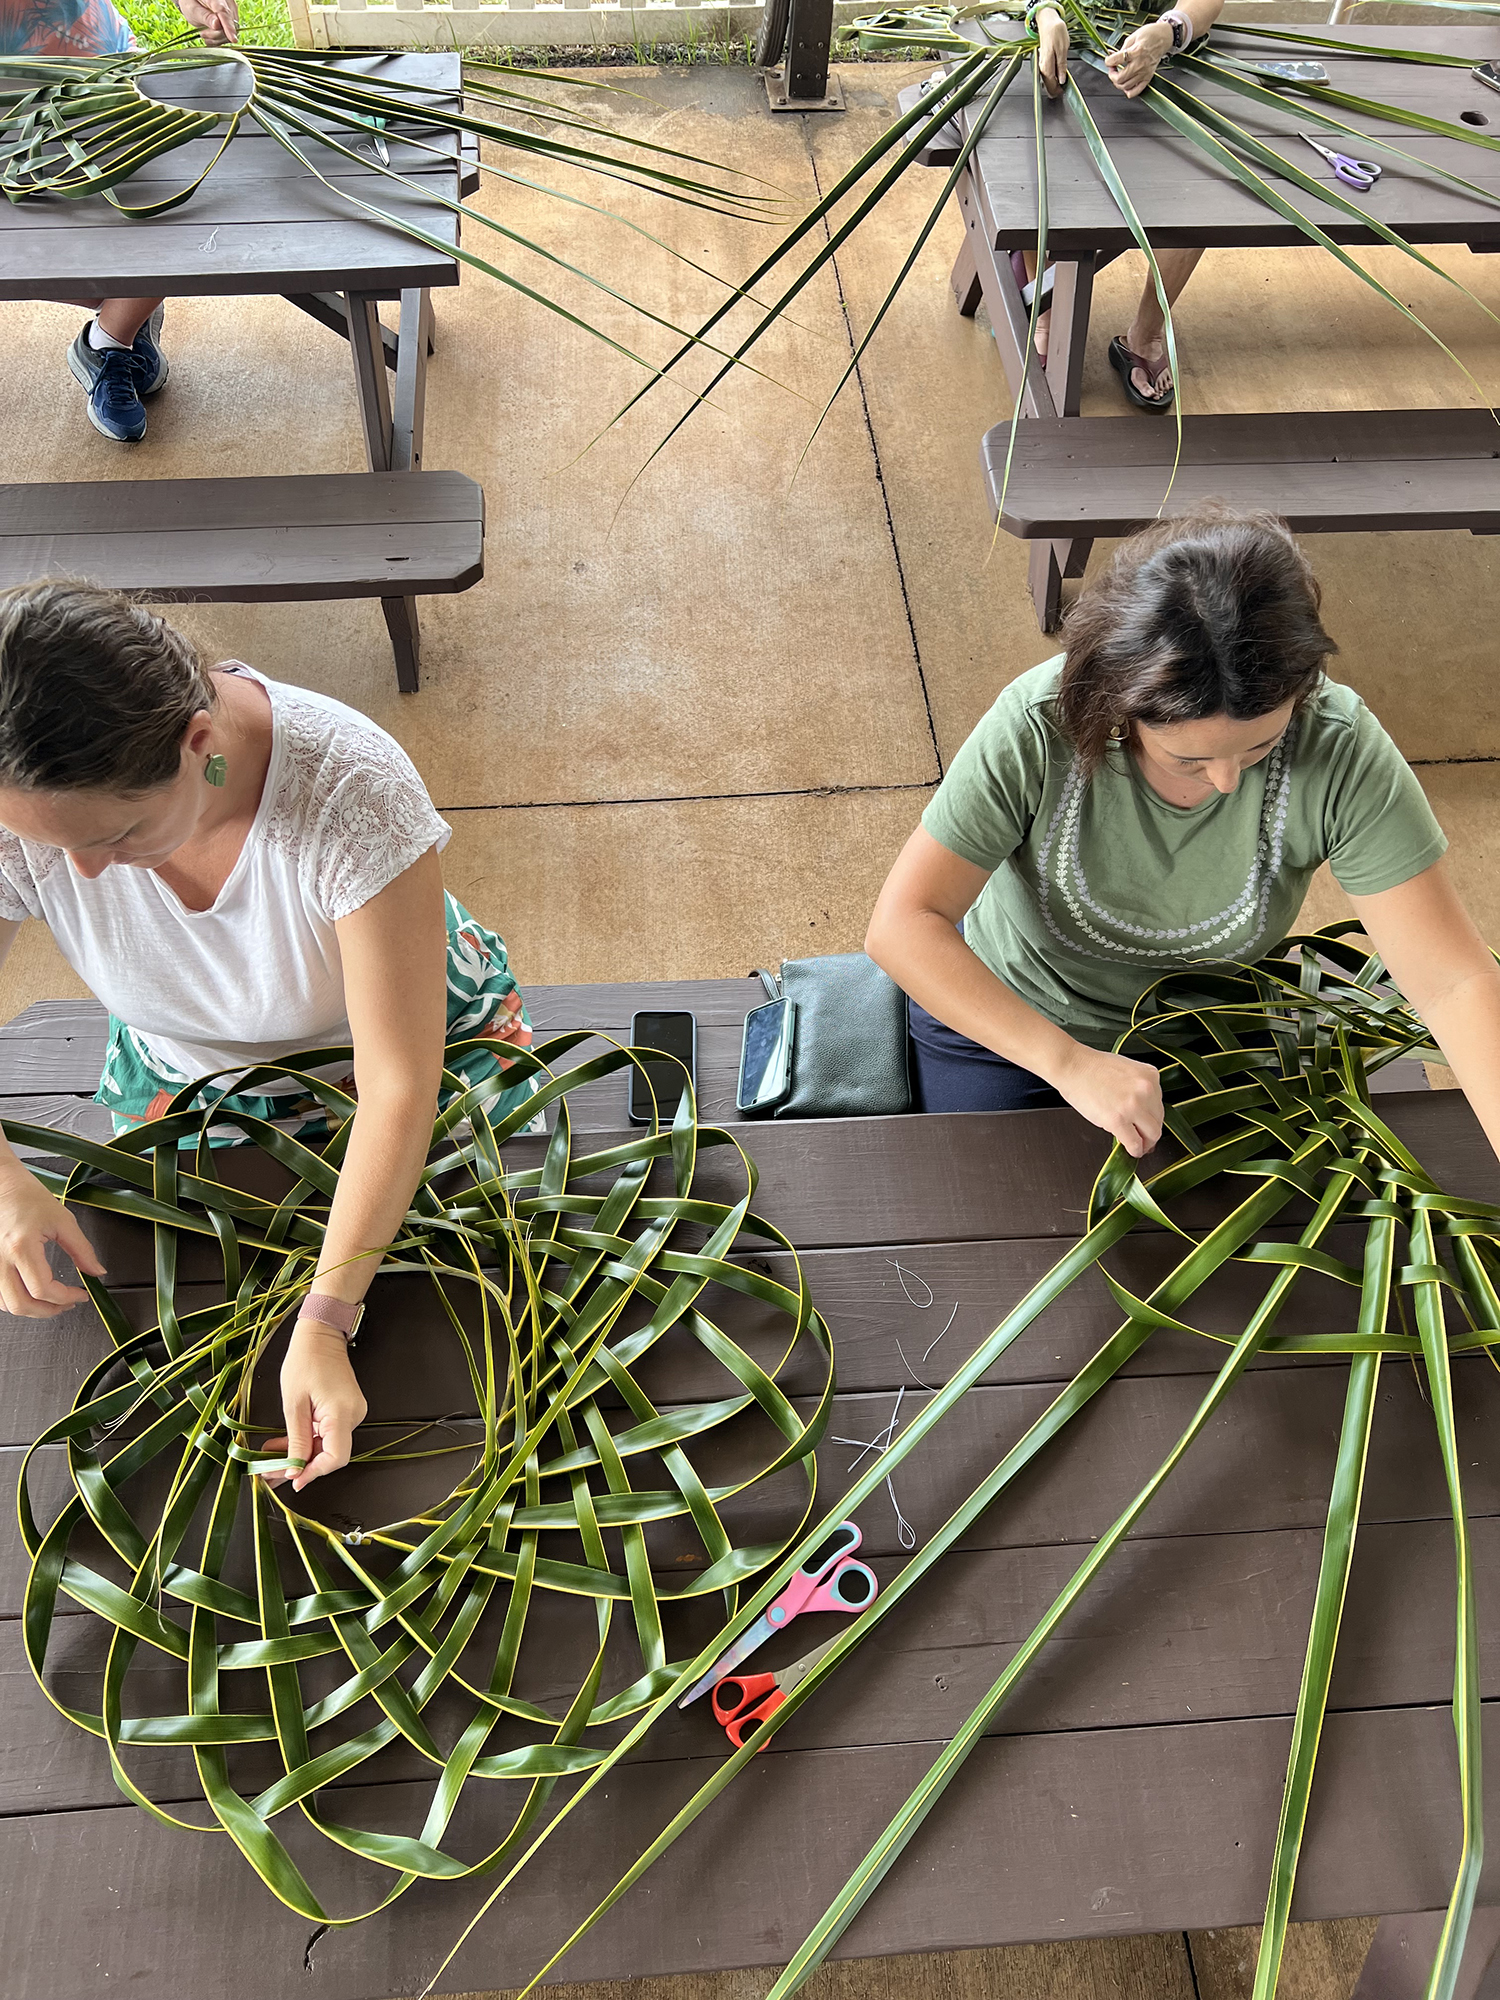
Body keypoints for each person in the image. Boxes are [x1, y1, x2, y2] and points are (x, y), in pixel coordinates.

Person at [0, 581, 537, 1491]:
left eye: (117, 834)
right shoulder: (30, 810)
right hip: (190, 1085)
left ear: (197, 746)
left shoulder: (350, 793)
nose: (78, 873)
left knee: (459, 1308)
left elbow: (399, 1084)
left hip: (395, 1054)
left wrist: (327, 1322)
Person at [866, 507, 1500, 1167]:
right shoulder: (1035, 728)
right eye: (1189, 760)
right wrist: (1068, 1063)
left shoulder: (1341, 750)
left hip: (1211, 1030)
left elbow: (1454, 982)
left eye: (1260, 746)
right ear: (1118, 705)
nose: (1226, 782)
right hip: (1014, 1023)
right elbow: (905, 923)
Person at [4, 0, 239, 441]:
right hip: (10, 113)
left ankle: (111, 340)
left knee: (185, 202)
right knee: (30, 254)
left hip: (102, 82)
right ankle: (126, 308)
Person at [1022, 0, 1223, 410]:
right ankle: (1044, 314)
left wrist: (1168, 32)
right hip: (1063, 45)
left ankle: (1146, 334)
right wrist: (1045, 12)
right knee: (1030, 164)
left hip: (1168, 62)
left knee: (1199, 189)